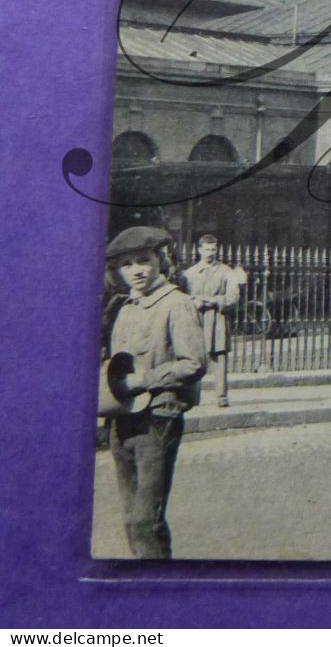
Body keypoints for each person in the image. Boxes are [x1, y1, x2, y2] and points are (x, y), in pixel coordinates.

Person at [103, 226, 207, 559]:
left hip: (159, 417)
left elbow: (193, 363)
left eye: (144, 260)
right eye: (127, 264)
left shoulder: (177, 303)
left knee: (145, 521)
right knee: (134, 520)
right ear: (118, 270)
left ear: (160, 261)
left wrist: (140, 381)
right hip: (122, 420)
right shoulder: (125, 309)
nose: (137, 270)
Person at [179, 233, 244, 408]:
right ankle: (194, 397)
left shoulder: (226, 272)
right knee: (195, 358)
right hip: (196, 319)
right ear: (199, 250)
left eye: (213, 249)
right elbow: (181, 298)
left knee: (219, 358)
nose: (210, 253)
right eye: (206, 249)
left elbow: (233, 297)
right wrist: (194, 301)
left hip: (217, 319)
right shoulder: (188, 274)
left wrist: (212, 301)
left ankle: (221, 397)